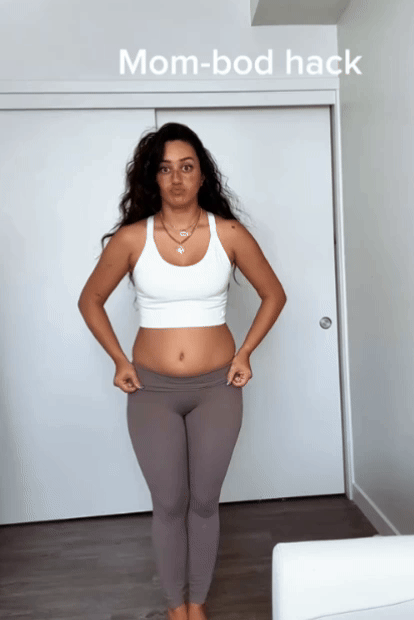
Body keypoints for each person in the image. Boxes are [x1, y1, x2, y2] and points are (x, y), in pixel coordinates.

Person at [77, 122, 287, 620]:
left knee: (205, 502)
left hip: (218, 388)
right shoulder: (133, 238)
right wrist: (119, 360)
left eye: (186, 167)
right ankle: (177, 609)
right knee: (169, 503)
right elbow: (90, 300)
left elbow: (274, 295)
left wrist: (245, 353)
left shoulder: (228, 234)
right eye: (165, 168)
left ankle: (198, 603)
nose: (176, 178)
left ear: (202, 175)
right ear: (153, 177)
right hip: (152, 391)